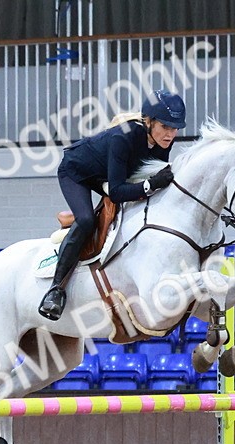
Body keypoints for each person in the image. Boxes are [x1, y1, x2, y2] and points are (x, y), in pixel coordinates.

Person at [38, 89, 187, 321]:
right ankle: (56, 289)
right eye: (165, 127)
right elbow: (118, 192)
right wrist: (150, 185)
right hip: (76, 172)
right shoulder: (123, 138)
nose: (170, 134)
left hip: (109, 175)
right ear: (148, 122)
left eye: (175, 128)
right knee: (87, 219)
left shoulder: (162, 141)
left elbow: (152, 180)